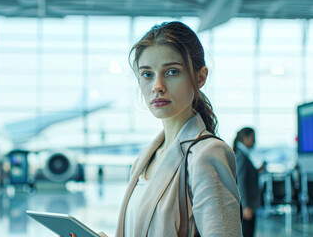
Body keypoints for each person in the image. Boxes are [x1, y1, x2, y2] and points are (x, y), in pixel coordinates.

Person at [72, 21, 242, 237]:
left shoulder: (206, 155)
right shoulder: (145, 159)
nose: (157, 86)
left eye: (171, 72)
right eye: (147, 74)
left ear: (200, 77)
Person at [233, 127, 264, 237]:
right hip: (247, 205)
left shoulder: (243, 154)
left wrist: (257, 171)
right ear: (244, 138)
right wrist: (245, 206)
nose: (254, 141)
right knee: (247, 232)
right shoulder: (241, 156)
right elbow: (241, 182)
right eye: (252, 138)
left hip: (249, 204)